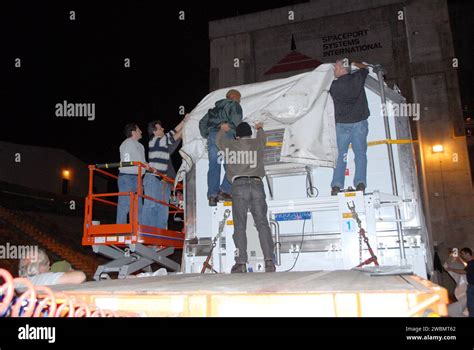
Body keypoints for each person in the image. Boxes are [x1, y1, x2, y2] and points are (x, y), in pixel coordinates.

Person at [216, 121, 276, 273]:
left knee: (240, 226)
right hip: (257, 184)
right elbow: (263, 138)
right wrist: (260, 128)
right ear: (250, 134)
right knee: (262, 224)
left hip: (239, 186)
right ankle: (269, 262)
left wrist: (222, 130)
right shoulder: (257, 143)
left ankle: (241, 263)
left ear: (237, 136)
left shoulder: (231, 145)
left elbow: (219, 142)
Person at [329, 58, 370, 196]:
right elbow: (365, 66)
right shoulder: (358, 78)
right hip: (359, 124)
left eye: (335, 67)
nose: (334, 69)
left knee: (341, 156)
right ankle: (360, 183)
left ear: (341, 69)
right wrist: (354, 64)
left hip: (342, 127)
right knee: (360, 154)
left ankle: (336, 185)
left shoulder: (333, 86)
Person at [199, 89, 243, 206]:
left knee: (214, 165)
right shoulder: (234, 105)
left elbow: (202, 122)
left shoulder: (214, 109)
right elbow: (237, 122)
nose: (240, 100)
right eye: (239, 98)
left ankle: (212, 196)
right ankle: (225, 190)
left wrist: (207, 134)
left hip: (213, 137)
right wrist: (235, 133)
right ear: (234, 96)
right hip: (226, 136)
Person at [142, 116, 187, 229]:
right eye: (160, 128)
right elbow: (173, 135)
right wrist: (185, 123)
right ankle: (145, 232)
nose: (163, 129)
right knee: (150, 205)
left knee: (162, 208)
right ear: (154, 131)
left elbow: (173, 136)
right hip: (152, 178)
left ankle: (159, 235)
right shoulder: (155, 141)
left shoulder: (163, 144)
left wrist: (185, 123)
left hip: (162, 180)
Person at [117, 123, 147, 224]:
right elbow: (126, 162)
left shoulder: (141, 146)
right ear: (133, 132)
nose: (141, 132)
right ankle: (121, 231)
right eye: (139, 130)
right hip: (127, 177)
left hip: (138, 178)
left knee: (138, 207)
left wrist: (148, 166)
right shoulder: (127, 143)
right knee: (124, 205)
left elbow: (142, 161)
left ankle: (137, 231)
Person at [18, 249, 86, 286]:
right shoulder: (43, 278)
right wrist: (70, 272)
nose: (49, 267)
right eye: (48, 264)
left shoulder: (16, 283)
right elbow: (80, 276)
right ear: (41, 267)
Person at [445, 247, 474, 317]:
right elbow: (466, 266)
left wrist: (451, 269)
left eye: (463, 254)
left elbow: (463, 271)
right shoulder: (471, 262)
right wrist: (459, 260)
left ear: (467, 254)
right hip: (472, 286)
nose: (462, 256)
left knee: (471, 305)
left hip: (472, 287)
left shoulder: (471, 263)